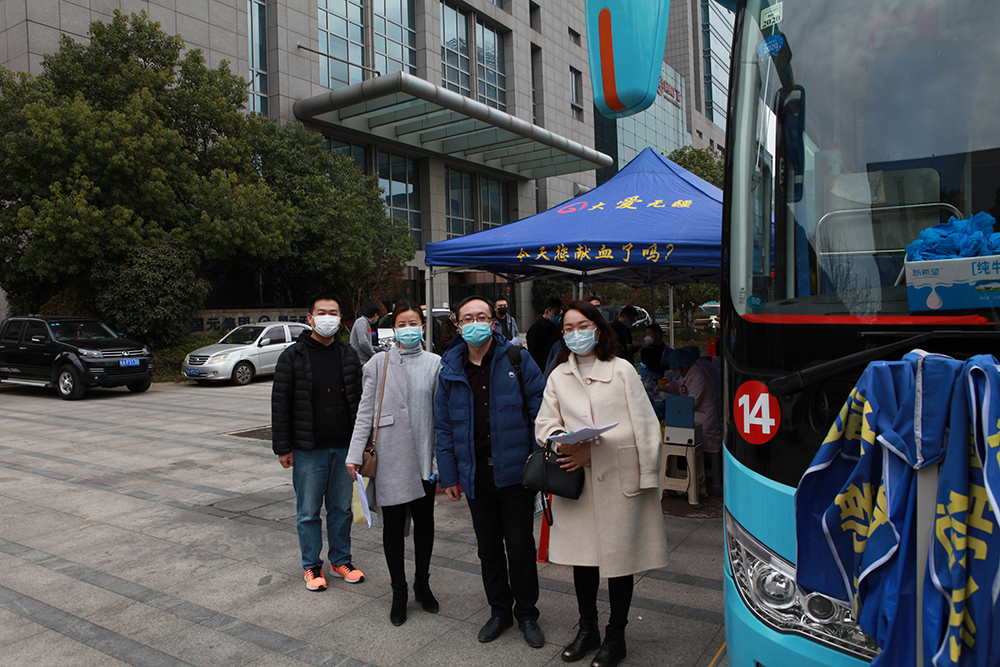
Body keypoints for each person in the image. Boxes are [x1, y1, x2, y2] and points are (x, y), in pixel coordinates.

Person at [534, 300, 669, 667]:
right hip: (577, 484)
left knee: (620, 561)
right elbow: (545, 424)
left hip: (619, 481)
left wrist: (639, 472)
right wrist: (564, 441)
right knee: (584, 561)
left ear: (597, 328)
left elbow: (643, 425)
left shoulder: (621, 369)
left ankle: (616, 634)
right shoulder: (558, 375)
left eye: (582, 326)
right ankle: (587, 628)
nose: (575, 333)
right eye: (568, 328)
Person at [434, 295, 547, 648]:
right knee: (488, 549)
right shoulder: (450, 368)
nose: (475, 323)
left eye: (482, 316)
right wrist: (449, 477)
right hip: (475, 475)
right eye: (468, 318)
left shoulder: (517, 358)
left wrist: (537, 459)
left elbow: (540, 410)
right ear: (458, 325)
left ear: (493, 322)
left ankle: (527, 614)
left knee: (521, 548)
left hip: (516, 473)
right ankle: (500, 611)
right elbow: (444, 428)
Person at [346, 301, 441, 626]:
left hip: (425, 458)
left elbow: (442, 418)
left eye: (414, 323)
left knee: (425, 525)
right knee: (393, 528)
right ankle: (398, 590)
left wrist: (439, 461)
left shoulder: (435, 364)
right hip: (391, 458)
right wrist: (354, 454)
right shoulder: (378, 363)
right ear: (394, 328)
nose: (408, 329)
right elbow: (365, 412)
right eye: (402, 324)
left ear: (423, 327)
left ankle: (422, 584)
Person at [272, 294, 365, 592]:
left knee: (342, 509)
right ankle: (311, 565)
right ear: (310, 318)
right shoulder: (293, 356)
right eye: (321, 312)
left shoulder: (348, 354)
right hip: (307, 448)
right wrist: (282, 447)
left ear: (340, 317)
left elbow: (361, 401)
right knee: (309, 511)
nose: (328, 318)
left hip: (344, 447)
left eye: (333, 312)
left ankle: (341, 560)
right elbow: (280, 404)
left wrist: (362, 443)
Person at [667, 346, 722, 454]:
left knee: (705, 447)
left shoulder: (699, 375)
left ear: (684, 365)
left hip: (703, 419)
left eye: (676, 368)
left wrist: (672, 402)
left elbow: (692, 401)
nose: (675, 371)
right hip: (695, 417)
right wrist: (667, 388)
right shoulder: (689, 372)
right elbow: (680, 384)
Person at [526, 297, 562, 371]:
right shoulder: (535, 329)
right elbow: (535, 353)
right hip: (542, 368)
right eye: (555, 313)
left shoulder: (555, 327)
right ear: (547, 312)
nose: (558, 316)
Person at [350, 300, 381, 365]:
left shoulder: (366, 323)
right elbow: (363, 342)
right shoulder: (362, 322)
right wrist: (374, 354)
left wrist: (380, 348)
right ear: (375, 314)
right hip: (359, 361)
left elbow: (368, 344)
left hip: (363, 361)